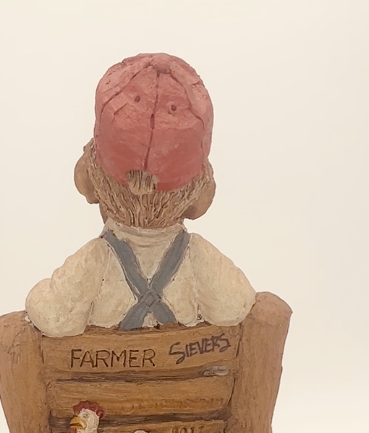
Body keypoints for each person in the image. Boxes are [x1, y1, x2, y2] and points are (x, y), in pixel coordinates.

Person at [26, 53, 256, 338]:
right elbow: (234, 307)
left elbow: (51, 316)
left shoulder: (96, 261)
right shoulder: (197, 258)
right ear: (201, 195)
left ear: (89, 181)